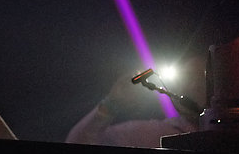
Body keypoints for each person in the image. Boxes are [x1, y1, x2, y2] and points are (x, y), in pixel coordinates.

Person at [65, 56, 206, 147]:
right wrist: (111, 104)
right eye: (186, 78)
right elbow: (77, 143)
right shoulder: (155, 132)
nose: (193, 86)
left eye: (202, 79)